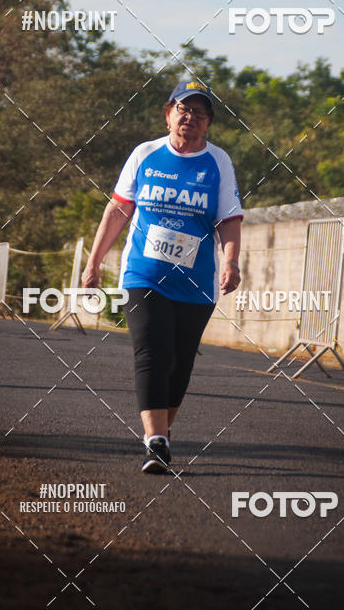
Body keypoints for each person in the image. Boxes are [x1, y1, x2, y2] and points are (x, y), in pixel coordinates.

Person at [82, 79, 243, 473]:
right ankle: (156, 441)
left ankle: (161, 433)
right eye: (183, 110)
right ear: (168, 113)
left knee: (179, 362)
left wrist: (231, 262)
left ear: (208, 123)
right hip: (143, 273)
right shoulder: (145, 154)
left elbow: (229, 219)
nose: (190, 118)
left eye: (199, 113)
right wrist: (93, 262)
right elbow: (119, 210)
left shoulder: (218, 162)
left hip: (196, 281)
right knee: (151, 351)